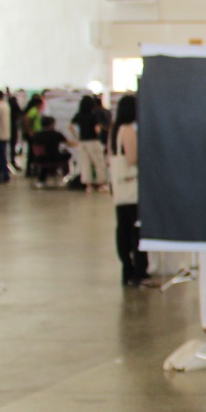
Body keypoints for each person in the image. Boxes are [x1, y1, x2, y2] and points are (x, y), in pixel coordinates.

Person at [108, 94, 148, 286]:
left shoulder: (114, 130)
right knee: (135, 230)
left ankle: (127, 268)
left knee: (122, 228)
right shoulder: (128, 130)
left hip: (119, 188)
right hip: (132, 187)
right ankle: (138, 270)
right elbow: (132, 158)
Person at [70, 94, 109, 191]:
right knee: (98, 163)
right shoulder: (93, 115)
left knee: (85, 164)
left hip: (83, 142)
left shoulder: (79, 115)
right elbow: (97, 129)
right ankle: (101, 184)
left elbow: (70, 126)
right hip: (93, 141)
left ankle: (88, 185)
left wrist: (76, 137)